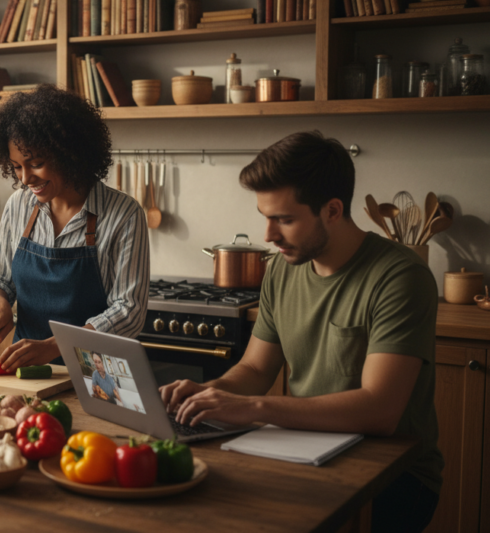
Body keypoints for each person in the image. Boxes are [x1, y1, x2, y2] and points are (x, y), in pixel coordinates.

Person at [159, 131, 442, 533]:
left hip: (394, 477)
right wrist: (212, 393)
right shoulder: (280, 270)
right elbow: (256, 370)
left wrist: (256, 409)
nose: (269, 236)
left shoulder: (400, 277)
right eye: (265, 217)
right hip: (306, 451)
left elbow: (381, 411)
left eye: (284, 220)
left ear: (332, 210)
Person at [0, 85, 150, 372]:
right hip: (25, 371)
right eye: (17, 167)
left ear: (69, 153)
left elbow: (128, 311)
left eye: (36, 164)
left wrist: (55, 346)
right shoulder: (18, 205)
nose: (25, 178)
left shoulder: (124, 214)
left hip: (98, 375)